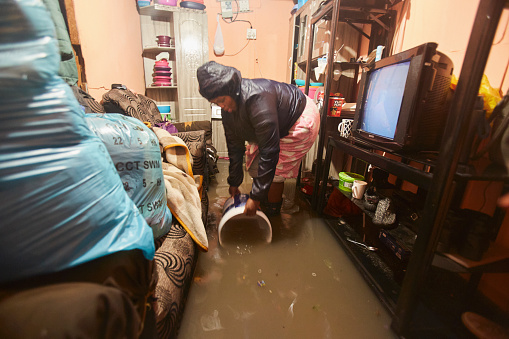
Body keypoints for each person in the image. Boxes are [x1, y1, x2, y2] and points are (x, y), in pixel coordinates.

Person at [197, 61, 320, 216]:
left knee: (275, 172)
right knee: (255, 167)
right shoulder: (227, 110)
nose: (221, 105)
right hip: (278, 121)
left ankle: (273, 214)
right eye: (215, 103)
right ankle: (266, 202)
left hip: (300, 118)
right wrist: (234, 182)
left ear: (231, 89)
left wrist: (255, 198)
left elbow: (270, 152)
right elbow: (234, 147)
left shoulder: (258, 99)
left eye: (221, 100)